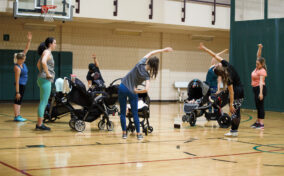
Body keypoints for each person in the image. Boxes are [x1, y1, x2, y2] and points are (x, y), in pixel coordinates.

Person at [119, 47, 173, 140]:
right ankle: (139, 134)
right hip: (133, 90)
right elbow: (146, 89)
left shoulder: (140, 63)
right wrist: (137, 91)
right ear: (153, 67)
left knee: (123, 113)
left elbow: (151, 52)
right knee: (135, 113)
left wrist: (163, 50)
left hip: (122, 87)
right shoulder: (147, 76)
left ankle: (124, 133)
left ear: (148, 61)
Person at [199, 43, 244, 137]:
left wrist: (231, 105)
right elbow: (231, 92)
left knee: (235, 111)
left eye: (215, 65)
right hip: (236, 90)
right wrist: (205, 49)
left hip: (237, 91)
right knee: (235, 111)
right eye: (216, 66)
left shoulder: (227, 73)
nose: (216, 64)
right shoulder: (226, 70)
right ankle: (233, 130)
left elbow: (232, 92)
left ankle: (234, 131)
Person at [36, 37, 56, 131]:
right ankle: (40, 125)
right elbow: (43, 62)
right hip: (45, 79)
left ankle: (40, 123)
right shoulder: (47, 52)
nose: (55, 44)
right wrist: (47, 74)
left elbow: (38, 64)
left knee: (42, 102)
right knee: (43, 102)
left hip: (41, 79)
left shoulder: (45, 52)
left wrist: (42, 72)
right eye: (54, 43)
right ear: (50, 44)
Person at [13, 32, 32, 122]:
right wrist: (17, 92)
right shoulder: (17, 68)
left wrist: (29, 40)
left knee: (20, 101)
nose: (25, 59)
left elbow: (26, 49)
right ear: (20, 59)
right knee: (17, 99)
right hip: (19, 85)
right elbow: (17, 81)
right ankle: (17, 116)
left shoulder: (22, 63)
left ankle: (18, 115)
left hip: (23, 84)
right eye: (24, 59)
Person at [250, 44, 267, 129]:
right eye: (256, 63)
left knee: (260, 106)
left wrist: (260, 93)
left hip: (260, 89)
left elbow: (261, 82)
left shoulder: (262, 70)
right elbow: (258, 56)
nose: (256, 65)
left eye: (258, 64)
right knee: (258, 106)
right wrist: (259, 48)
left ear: (262, 64)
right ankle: (257, 122)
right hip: (255, 88)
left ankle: (261, 124)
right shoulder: (257, 68)